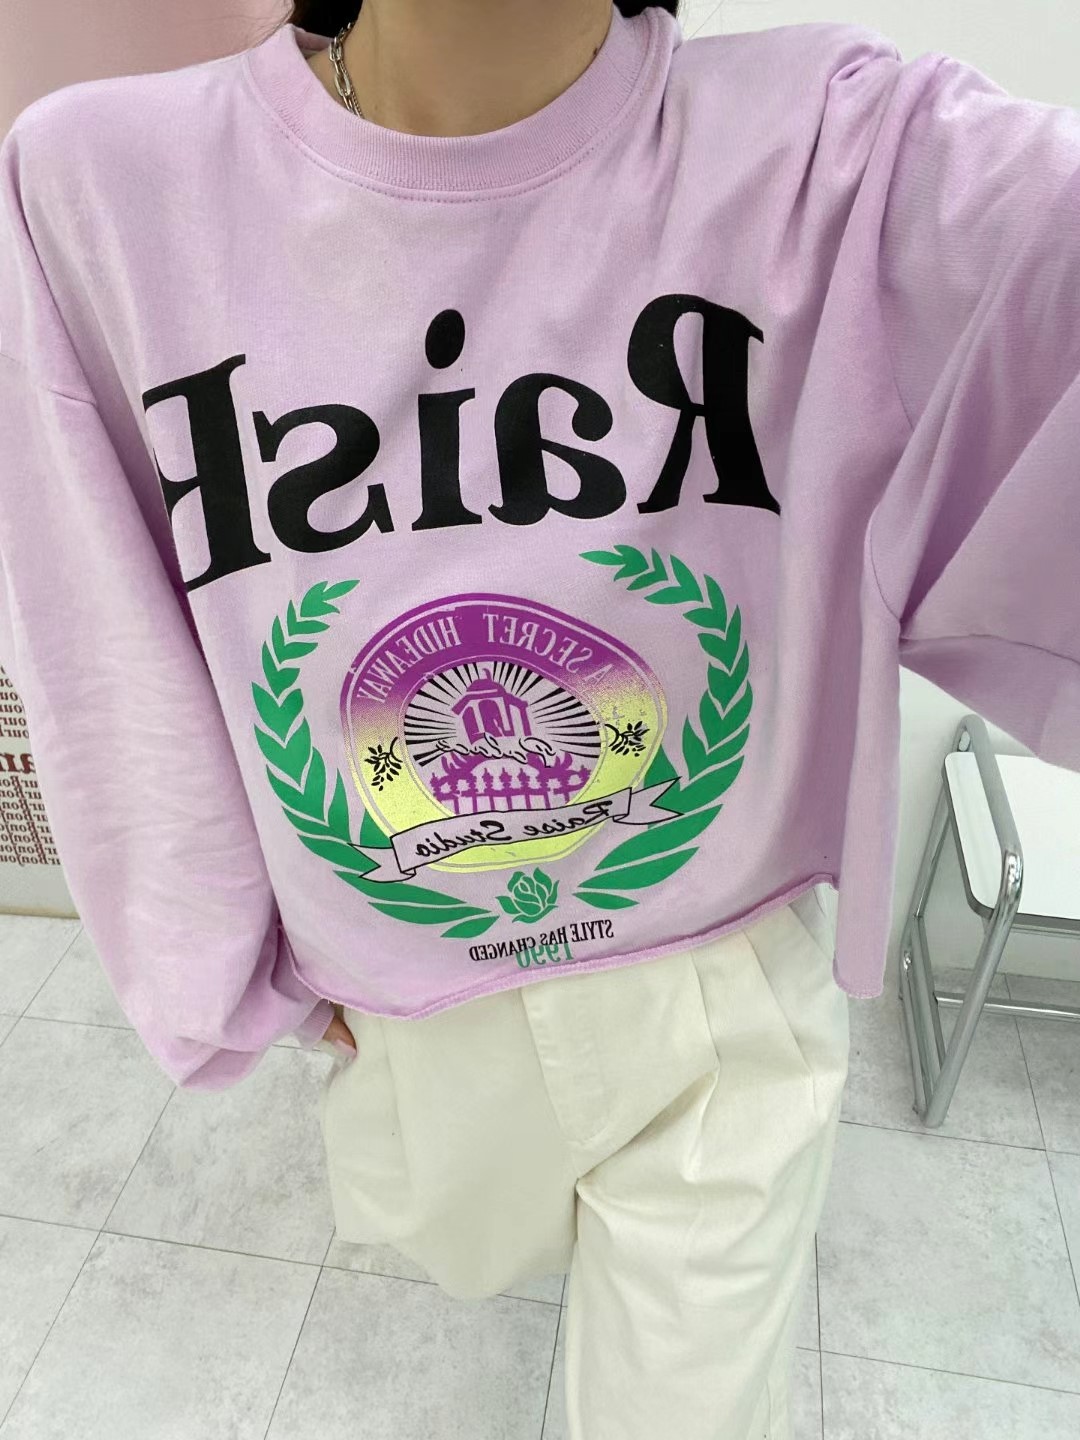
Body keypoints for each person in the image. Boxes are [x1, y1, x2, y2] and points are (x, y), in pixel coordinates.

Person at [0, 2, 1076, 1437]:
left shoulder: (842, 146)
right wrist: (228, 964)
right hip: (401, 991)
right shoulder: (100, 184)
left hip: (723, 979)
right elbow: (99, 630)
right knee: (453, 1246)